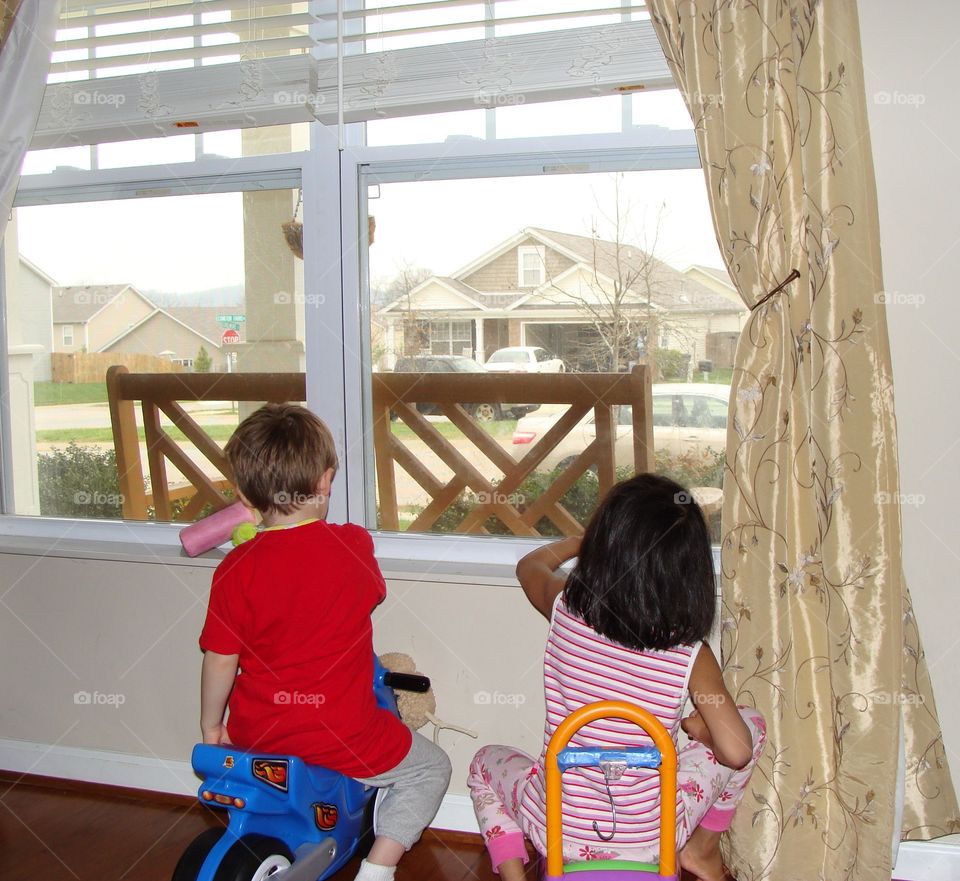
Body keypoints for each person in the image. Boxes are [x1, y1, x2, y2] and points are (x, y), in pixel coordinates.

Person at [468, 474, 766, 881]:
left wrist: (580, 540)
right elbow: (736, 752)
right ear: (690, 571)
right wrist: (700, 731)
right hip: (653, 840)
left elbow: (530, 565)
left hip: (556, 830)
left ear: (603, 546)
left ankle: (515, 876)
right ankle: (701, 851)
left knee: (484, 764)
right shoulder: (691, 653)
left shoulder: (564, 607)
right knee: (750, 724)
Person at [199, 403, 451, 881]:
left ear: (243, 496)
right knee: (431, 768)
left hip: (260, 732)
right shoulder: (351, 547)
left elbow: (219, 660)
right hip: (341, 734)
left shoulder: (233, 569)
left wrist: (212, 726)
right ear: (326, 481)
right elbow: (373, 591)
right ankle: (378, 869)